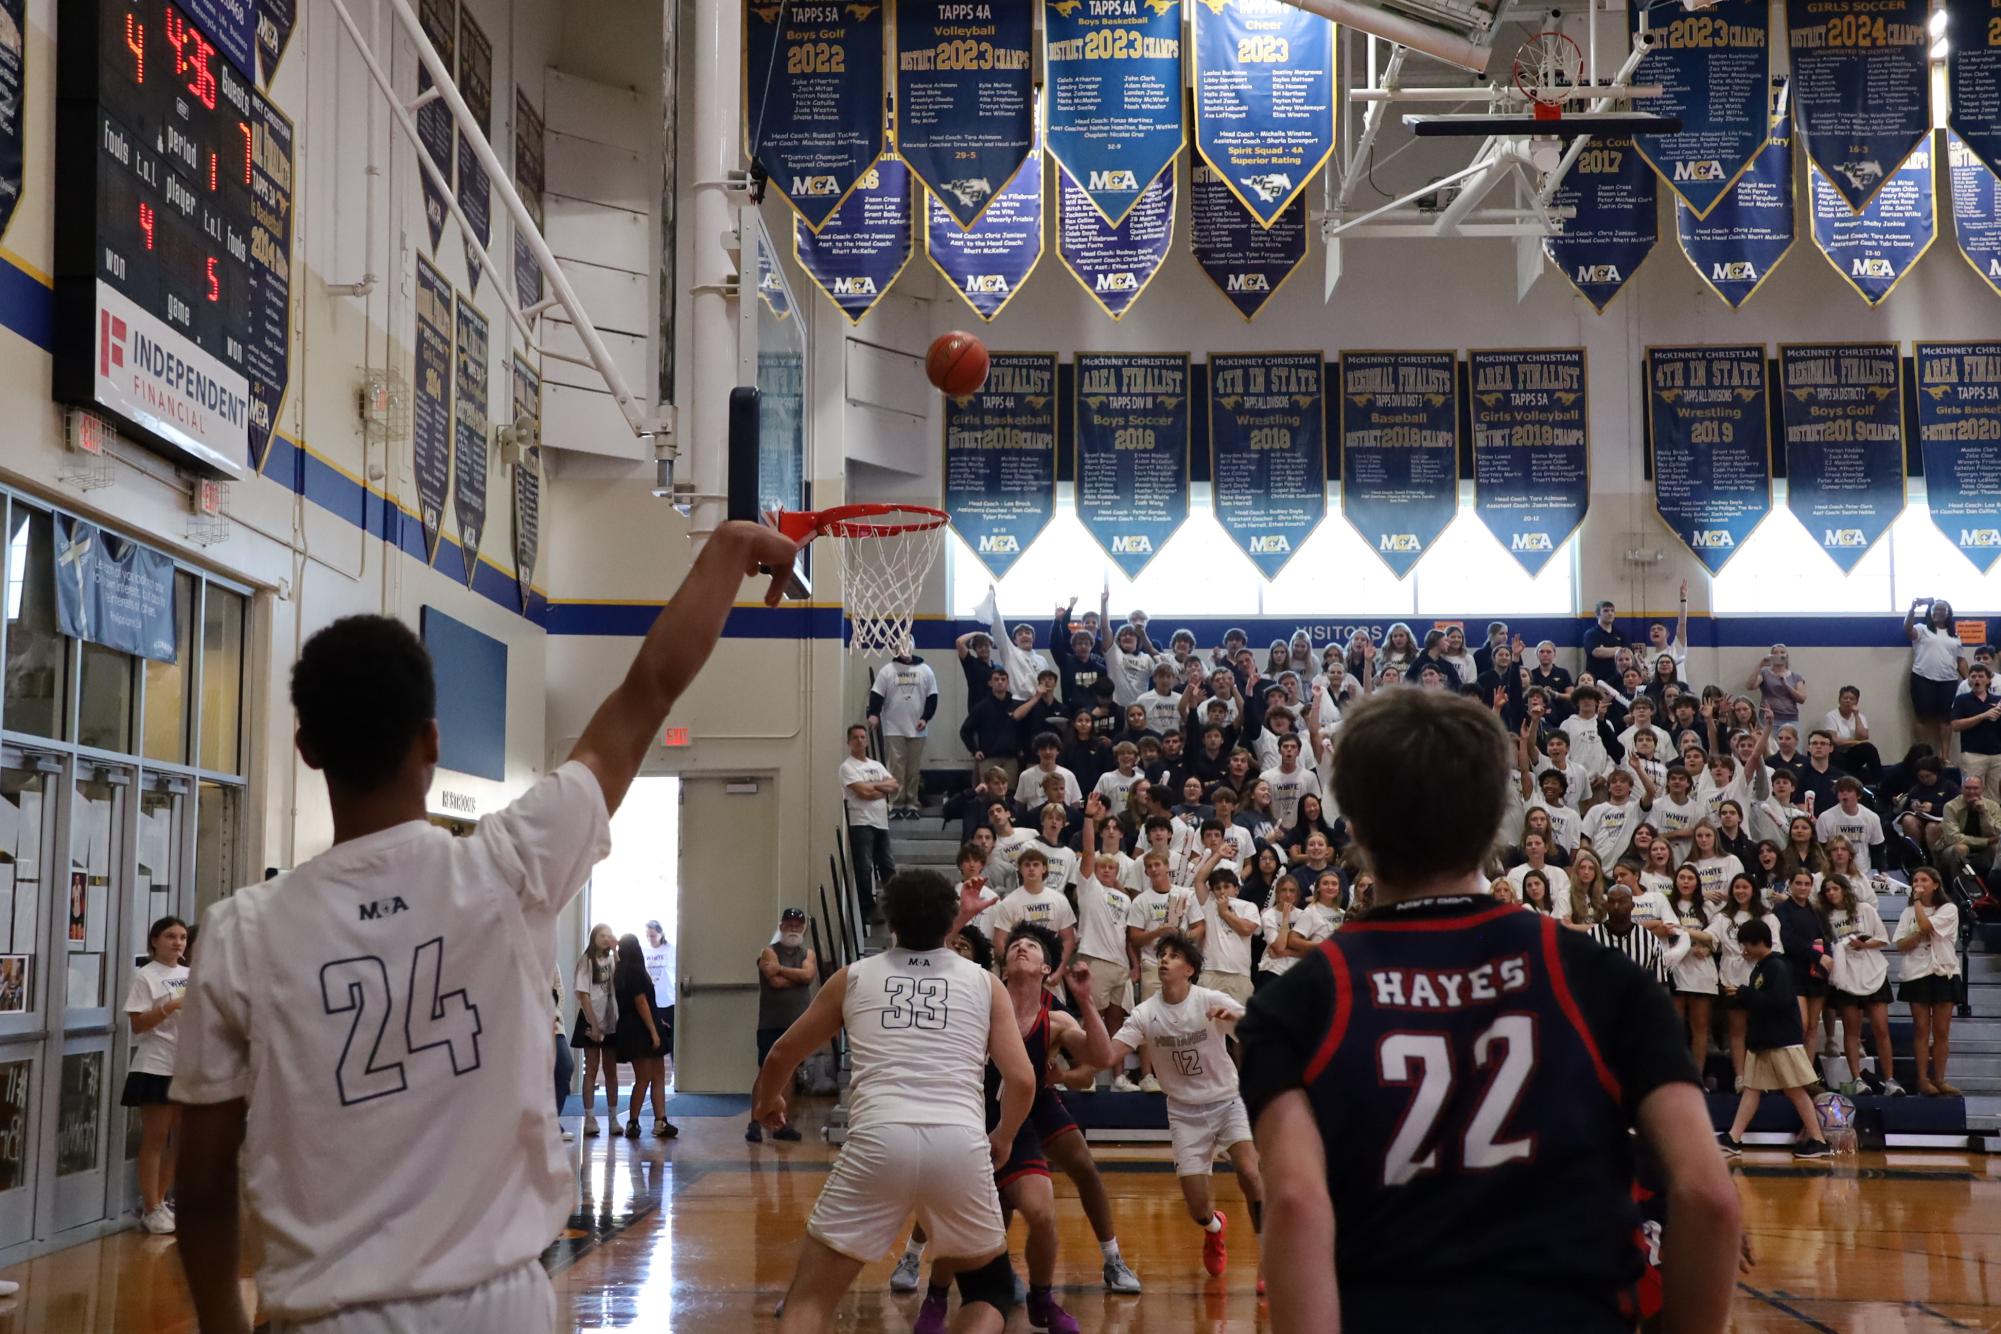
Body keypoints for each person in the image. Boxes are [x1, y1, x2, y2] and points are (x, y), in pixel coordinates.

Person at [171, 520, 802, 1334]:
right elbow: (649, 687)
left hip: (323, 1314)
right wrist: (727, 549)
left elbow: (204, 1177)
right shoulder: (506, 867)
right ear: (431, 742)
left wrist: (225, 1321)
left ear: (306, 749)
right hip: (497, 1307)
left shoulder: (238, 932)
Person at [1238, 688, 1739, 1332]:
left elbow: (1297, 1204)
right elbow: (1708, 1197)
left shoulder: (1295, 1001)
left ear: (1354, 825)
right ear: (1501, 816)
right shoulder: (1602, 979)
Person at [753, 870, 1036, 1334]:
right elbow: (1021, 1081)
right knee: (991, 1295)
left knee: (807, 1302)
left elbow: (783, 1052)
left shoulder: (855, 977)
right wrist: (1003, 1136)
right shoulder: (985, 984)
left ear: (889, 922)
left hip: (876, 1141)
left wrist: (767, 1102)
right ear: (953, 923)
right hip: (959, 1144)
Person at [908, 924, 1116, 1334]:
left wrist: (1086, 999)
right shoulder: (978, 1001)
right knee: (960, 1215)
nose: (1021, 948)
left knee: (1041, 1212)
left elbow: (1102, 1056)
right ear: (1001, 968)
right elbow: (934, 966)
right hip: (968, 1117)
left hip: (1016, 1125)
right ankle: (934, 1295)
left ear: (1046, 968)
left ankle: (1041, 1299)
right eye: (1015, 945)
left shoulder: (1054, 1019)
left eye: (1032, 946)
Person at [1100, 933, 1265, 1285]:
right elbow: (1108, 1055)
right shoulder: (1146, 1013)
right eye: (1162, 955)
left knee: (1250, 1173)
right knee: (1198, 1210)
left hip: (1227, 1101)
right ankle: (1215, 1227)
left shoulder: (1211, 1000)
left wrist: (1235, 1020)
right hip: (1184, 1113)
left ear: (1189, 969)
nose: (1164, 960)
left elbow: (1259, 1031)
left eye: (1173, 956)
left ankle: (1268, 1259)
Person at [1715, 920, 1833, 1157]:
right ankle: (1734, 1138)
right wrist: (1741, 996)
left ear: (1758, 942)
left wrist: (1744, 993)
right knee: (1752, 1089)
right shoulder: (1762, 967)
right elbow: (1761, 1000)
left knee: (1795, 1091)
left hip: (1781, 1041)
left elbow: (1777, 1001)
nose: (1744, 950)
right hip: (1764, 1041)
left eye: (1746, 945)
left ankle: (1819, 1141)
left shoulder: (1777, 966)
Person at [123, 914, 190, 1234]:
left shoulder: (191, 974)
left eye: (182, 937)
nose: (177, 942)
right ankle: (150, 1206)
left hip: (186, 1065)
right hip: (156, 1064)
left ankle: (162, 1200)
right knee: (156, 1138)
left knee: (180, 1138)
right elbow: (137, 1024)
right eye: (170, 936)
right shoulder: (145, 976)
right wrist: (170, 1007)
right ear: (154, 941)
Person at [1820, 875, 1900, 1097]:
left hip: (1872, 971)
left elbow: (1883, 938)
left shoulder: (1864, 909)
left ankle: (1890, 1079)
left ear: (1845, 890)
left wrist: (1863, 944)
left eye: (1835, 888)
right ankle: (1856, 1079)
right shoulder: (1825, 916)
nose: (1831, 893)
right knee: (1851, 1030)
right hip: (1846, 975)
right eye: (1827, 890)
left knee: (1881, 1028)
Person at [751, 909, 818, 1145]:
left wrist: (780, 969)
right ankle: (755, 1123)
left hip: (797, 1025)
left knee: (789, 1074)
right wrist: (795, 976)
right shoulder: (768, 951)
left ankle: (782, 1123)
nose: (794, 928)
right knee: (765, 1072)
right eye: (789, 924)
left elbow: (809, 975)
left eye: (798, 925)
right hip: (771, 1023)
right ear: (781, 926)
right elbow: (775, 981)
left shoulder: (807, 953)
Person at [1896, 867, 1963, 1097]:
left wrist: (1918, 908)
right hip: (1917, 974)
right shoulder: (1907, 913)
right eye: (1915, 880)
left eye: (1924, 879)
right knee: (1921, 1029)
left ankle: (1940, 1079)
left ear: (1935, 884)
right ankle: (1923, 1079)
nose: (1918, 883)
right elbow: (1901, 944)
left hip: (1943, 971)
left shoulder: (1949, 909)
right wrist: (1916, 933)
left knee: (1942, 1030)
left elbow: (1926, 926)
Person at [1713, 873, 1781, 1092]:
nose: (1740, 891)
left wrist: (1756, 953)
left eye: (1745, 887)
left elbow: (1777, 948)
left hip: (1761, 979)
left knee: (1762, 1029)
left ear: (1753, 890)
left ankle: (1762, 1076)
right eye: (1737, 887)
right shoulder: (1722, 917)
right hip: (1731, 979)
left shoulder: (1768, 917)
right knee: (1737, 1030)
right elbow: (1710, 937)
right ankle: (1740, 1076)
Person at [613, 933, 675, 1139]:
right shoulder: (637, 971)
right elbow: (642, 1003)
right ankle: (640, 1121)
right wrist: (654, 1032)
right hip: (642, 1030)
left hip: (630, 1028)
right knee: (649, 1077)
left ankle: (654, 1121)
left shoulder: (620, 971)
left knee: (652, 1075)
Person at [870, 645, 939, 820]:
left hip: (918, 728)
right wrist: (873, 714)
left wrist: (926, 718)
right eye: (900, 647)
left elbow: (932, 698)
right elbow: (877, 695)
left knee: (913, 769)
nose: (905, 651)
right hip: (894, 728)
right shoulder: (887, 671)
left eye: (907, 647)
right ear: (895, 649)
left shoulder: (925, 670)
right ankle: (896, 803)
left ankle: (912, 803)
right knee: (895, 768)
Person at [841, 723, 899, 921]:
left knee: (888, 866)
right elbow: (863, 793)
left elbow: (894, 785)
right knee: (864, 866)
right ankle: (868, 908)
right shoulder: (847, 767)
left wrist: (873, 786)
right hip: (861, 822)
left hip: (881, 822)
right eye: (855, 737)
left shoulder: (877, 765)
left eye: (862, 737)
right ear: (849, 742)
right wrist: (879, 790)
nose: (859, 740)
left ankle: (893, 904)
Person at [573, 923, 622, 1137]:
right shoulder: (586, 961)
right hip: (591, 1019)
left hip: (611, 1019)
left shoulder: (612, 960)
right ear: (594, 937)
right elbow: (582, 994)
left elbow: (620, 979)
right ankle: (590, 1118)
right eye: (602, 935)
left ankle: (613, 1117)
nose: (606, 938)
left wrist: (617, 950)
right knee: (591, 1068)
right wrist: (593, 1024)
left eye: (609, 935)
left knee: (611, 1070)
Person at [1907, 597, 1967, 761]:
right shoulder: (1922, 629)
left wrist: (1968, 680)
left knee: (1945, 720)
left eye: (1942, 609)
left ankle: (1945, 757)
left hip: (1948, 681)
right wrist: (1912, 609)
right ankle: (1921, 756)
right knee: (1922, 718)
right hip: (1922, 679)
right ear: (1930, 612)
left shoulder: (1955, 635)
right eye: (1935, 609)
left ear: (1948, 614)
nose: (1938, 612)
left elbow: (1960, 660)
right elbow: (1908, 629)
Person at [1940, 773, 2001, 887]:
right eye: (1967, 788)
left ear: (1982, 789)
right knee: (1961, 848)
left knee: (1997, 847)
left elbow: (1997, 833)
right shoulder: (1950, 806)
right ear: (1961, 789)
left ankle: (1994, 889)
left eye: (1975, 788)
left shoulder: (1993, 806)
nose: (1971, 792)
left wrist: (1984, 813)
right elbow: (1953, 838)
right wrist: (1986, 841)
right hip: (1953, 848)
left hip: (1985, 850)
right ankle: (1961, 889)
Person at [1953, 662, 2001, 798]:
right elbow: (1955, 725)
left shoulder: (1997, 700)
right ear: (1969, 681)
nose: (1977, 679)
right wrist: (1982, 716)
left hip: (1997, 755)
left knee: (1995, 795)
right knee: (1972, 794)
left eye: (1980, 676)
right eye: (1973, 677)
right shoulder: (1962, 700)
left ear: (1988, 680)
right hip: (1973, 754)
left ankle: (1993, 819)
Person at [1823, 685, 1881, 784]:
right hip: (1837, 754)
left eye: (1851, 699)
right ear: (1840, 700)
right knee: (1834, 754)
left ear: (1856, 702)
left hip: (1852, 754)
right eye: (1845, 698)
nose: (1848, 701)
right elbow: (1835, 741)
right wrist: (1856, 742)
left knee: (1869, 748)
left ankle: (1880, 782)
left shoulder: (1860, 716)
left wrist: (1856, 715)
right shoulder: (1831, 716)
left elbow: (1863, 737)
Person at [642, 919, 676, 1081]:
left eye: (653, 936)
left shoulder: (671, 950)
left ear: (661, 934)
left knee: (671, 1040)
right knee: (651, 1039)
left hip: (668, 1001)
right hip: (650, 1002)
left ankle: (675, 1073)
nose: (651, 939)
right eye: (648, 936)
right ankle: (649, 1075)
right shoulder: (644, 950)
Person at [1747, 645, 1806, 728]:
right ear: (1771, 656)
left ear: (1787, 656)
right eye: (1775, 653)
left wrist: (1786, 685)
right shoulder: (1765, 673)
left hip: (1790, 719)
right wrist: (1760, 665)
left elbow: (1802, 699)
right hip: (1768, 718)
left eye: (1782, 652)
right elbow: (1750, 686)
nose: (1779, 655)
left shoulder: (1796, 676)